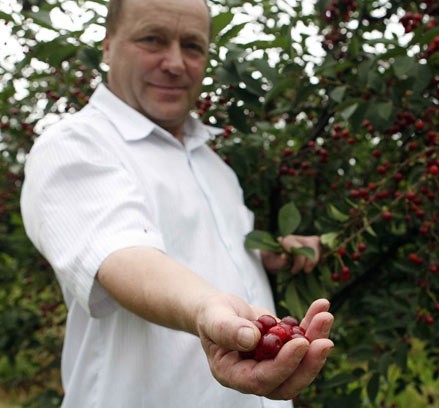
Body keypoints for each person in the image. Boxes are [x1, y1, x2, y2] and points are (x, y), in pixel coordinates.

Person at [19, 0, 334, 406]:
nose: (175, 62)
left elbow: (201, 250)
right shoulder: (74, 145)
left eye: (193, 46)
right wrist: (206, 308)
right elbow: (122, 256)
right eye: (152, 39)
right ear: (108, 46)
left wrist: (267, 255)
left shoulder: (213, 164)